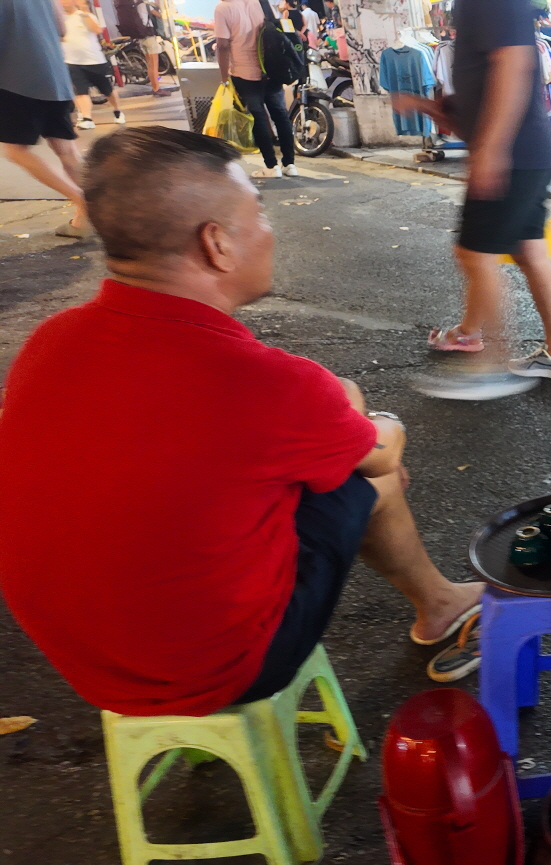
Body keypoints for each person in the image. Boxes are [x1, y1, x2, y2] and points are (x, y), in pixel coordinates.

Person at [0, 127, 487, 715]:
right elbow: (381, 452)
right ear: (217, 244)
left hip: (86, 668)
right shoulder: (263, 381)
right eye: (258, 211)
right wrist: (367, 417)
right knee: (368, 477)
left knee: (313, 466)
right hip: (217, 669)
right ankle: (441, 605)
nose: (268, 228)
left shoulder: (50, 341)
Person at [392, 0, 551, 398]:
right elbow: (486, 86)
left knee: (475, 255)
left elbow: (513, 64)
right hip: (526, 151)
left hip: (513, 153)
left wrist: (492, 148)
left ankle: (489, 369)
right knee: (529, 250)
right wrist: (428, 107)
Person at [0, 0, 91, 238]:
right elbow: (61, 28)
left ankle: (83, 199)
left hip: (14, 80)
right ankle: (87, 218)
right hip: (54, 75)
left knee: (15, 151)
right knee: (66, 149)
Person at [215, 0, 299, 178]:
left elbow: (222, 46)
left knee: (258, 118)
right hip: (271, 70)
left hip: (244, 73)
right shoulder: (261, 2)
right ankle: (289, 164)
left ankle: (271, 166)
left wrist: (224, 77)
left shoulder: (223, 9)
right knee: (281, 116)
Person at [61, 0, 125, 130]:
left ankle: (117, 111)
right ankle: (87, 118)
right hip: (72, 61)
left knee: (107, 90)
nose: (63, 3)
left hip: (94, 61)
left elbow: (97, 30)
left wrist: (84, 12)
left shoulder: (85, 15)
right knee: (80, 91)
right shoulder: (59, 19)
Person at [116, 0, 171, 97]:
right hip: (149, 37)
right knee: (154, 65)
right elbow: (162, 16)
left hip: (140, 38)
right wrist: (161, 7)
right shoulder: (146, 6)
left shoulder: (134, 6)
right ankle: (156, 89)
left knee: (149, 64)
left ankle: (154, 87)